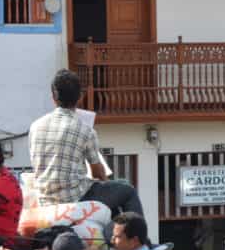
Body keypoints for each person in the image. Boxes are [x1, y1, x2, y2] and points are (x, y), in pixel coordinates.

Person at [29, 69, 144, 217]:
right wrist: (107, 183)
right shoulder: (85, 129)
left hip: (45, 199)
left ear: (53, 97)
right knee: (127, 190)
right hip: (75, 198)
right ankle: (140, 239)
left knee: (112, 191)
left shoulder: (35, 126)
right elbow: (97, 172)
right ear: (80, 98)